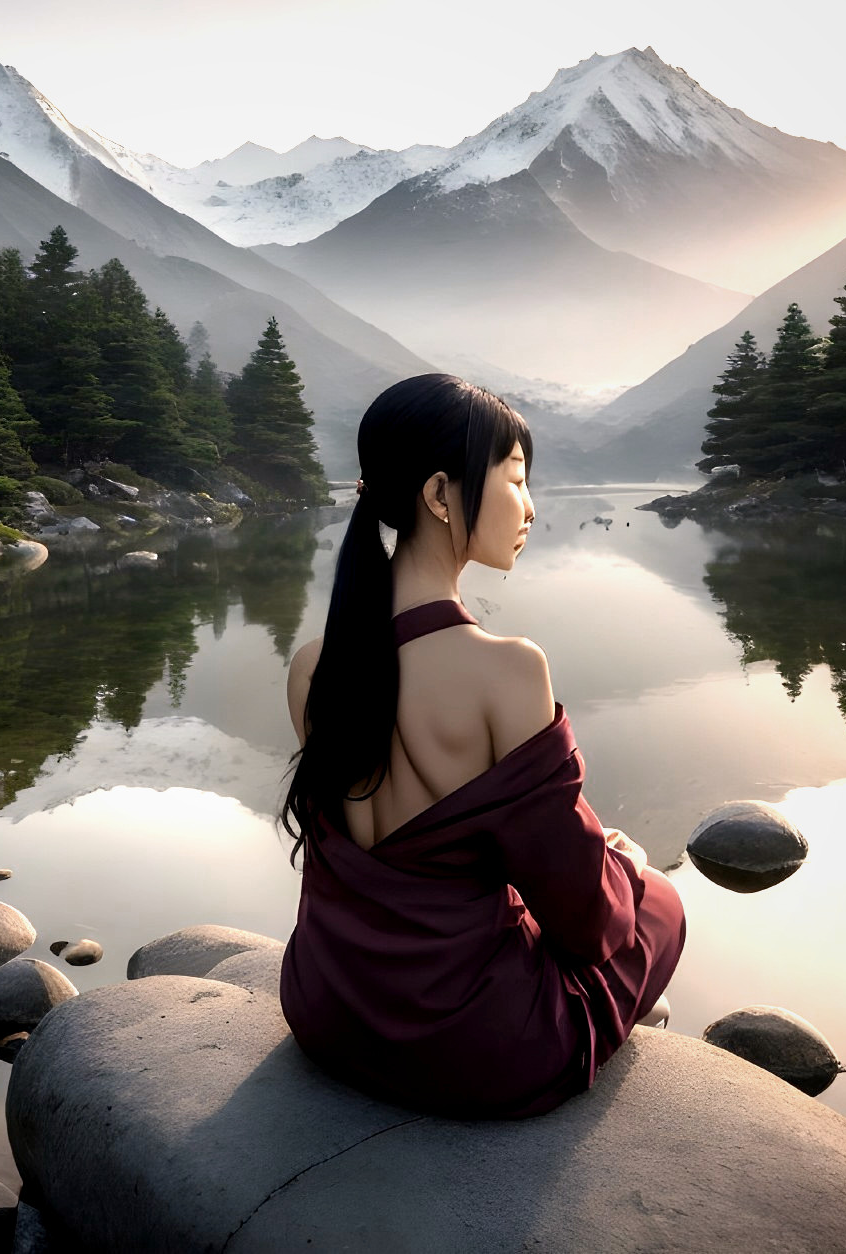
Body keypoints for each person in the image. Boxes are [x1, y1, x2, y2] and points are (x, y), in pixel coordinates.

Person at [278, 374, 685, 1118]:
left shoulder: (312, 667)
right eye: (518, 480)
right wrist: (620, 869)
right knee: (656, 903)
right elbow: (586, 924)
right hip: (472, 1048)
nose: (529, 509)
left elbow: (400, 867)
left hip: (326, 1008)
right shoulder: (507, 669)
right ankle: (615, 1016)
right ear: (440, 495)